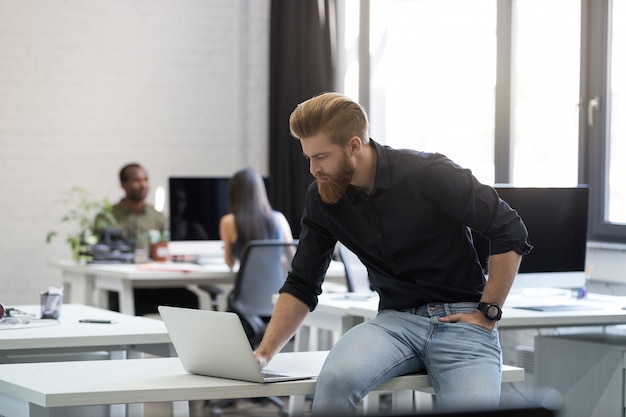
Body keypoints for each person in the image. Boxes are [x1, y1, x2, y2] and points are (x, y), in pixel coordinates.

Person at [253, 92, 532, 416]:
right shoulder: (322, 198)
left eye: (322, 157)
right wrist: (263, 353)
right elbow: (302, 282)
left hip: (462, 319)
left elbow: (510, 229)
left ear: (355, 146)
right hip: (393, 323)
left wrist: (488, 312)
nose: (314, 169)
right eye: (309, 158)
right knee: (334, 382)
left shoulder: (428, 172)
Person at [97, 163, 199, 315]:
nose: (143, 185)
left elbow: (167, 248)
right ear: (123, 184)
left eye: (145, 180)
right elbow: (100, 251)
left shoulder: (158, 217)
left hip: (154, 282)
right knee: (120, 303)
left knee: (189, 299)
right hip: (123, 281)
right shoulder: (107, 216)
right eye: (136, 180)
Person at [219, 167, 294, 270]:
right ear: (260, 191)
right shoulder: (279, 218)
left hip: (248, 285)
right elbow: (292, 259)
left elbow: (230, 263)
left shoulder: (228, 222)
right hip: (277, 285)